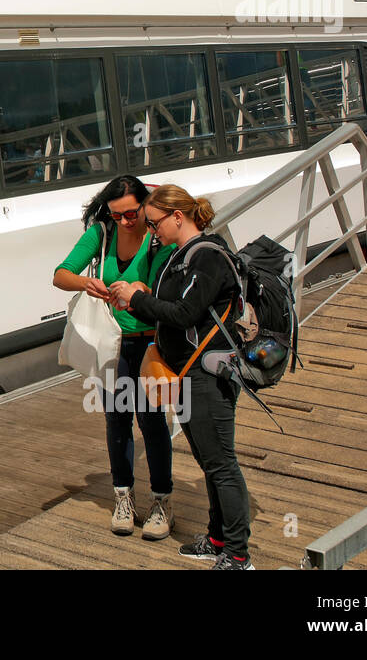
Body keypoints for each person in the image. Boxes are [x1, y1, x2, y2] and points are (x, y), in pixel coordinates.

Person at [108, 184, 254, 570]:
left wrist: (137, 298)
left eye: (154, 222)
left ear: (178, 216)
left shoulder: (206, 257)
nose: (151, 230)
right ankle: (218, 537)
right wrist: (129, 300)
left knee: (221, 463)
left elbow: (185, 313)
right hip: (187, 374)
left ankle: (238, 555)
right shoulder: (178, 257)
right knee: (209, 462)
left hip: (209, 374)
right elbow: (163, 312)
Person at [53, 175, 175, 540]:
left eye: (131, 214)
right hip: (114, 343)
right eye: (116, 214)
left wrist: (141, 290)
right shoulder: (102, 233)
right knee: (117, 420)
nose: (124, 221)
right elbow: (60, 274)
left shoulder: (157, 238)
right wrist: (86, 283)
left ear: (144, 205)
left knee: (152, 422)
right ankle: (123, 498)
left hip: (151, 341)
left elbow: (167, 290)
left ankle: (162, 502)